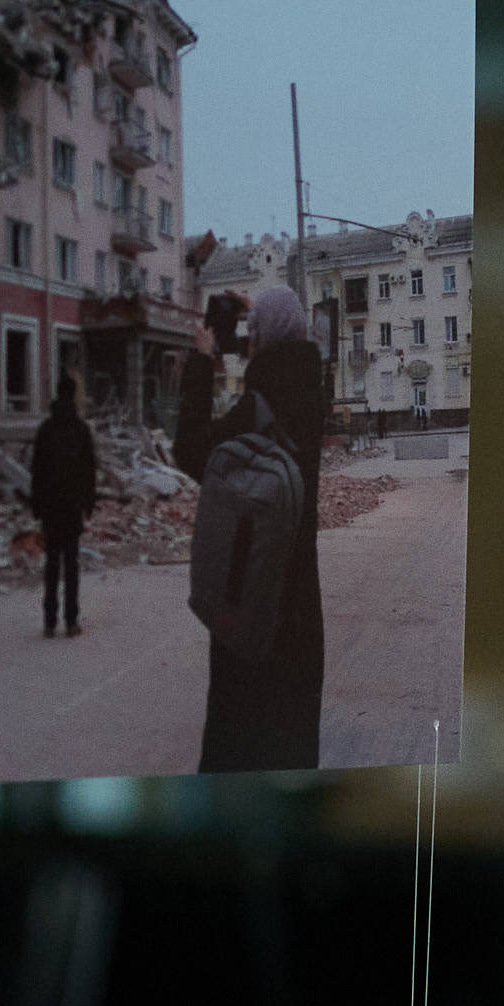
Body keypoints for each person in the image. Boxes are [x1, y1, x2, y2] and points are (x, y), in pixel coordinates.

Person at [174, 280, 327, 771]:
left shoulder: (252, 411)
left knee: (238, 746)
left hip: (252, 602)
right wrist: (255, 317)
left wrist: (202, 360)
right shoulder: (312, 392)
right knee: (291, 744)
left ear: (259, 339)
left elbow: (191, 452)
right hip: (302, 611)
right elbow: (279, 352)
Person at [28, 373, 96, 637]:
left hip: (51, 508)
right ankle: (71, 621)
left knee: (52, 565)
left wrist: (37, 505)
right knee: (72, 565)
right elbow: (89, 469)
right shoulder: (81, 430)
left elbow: (37, 470)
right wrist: (88, 503)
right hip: (72, 507)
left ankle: (48, 621)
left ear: (57, 395)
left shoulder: (46, 429)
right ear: (74, 396)